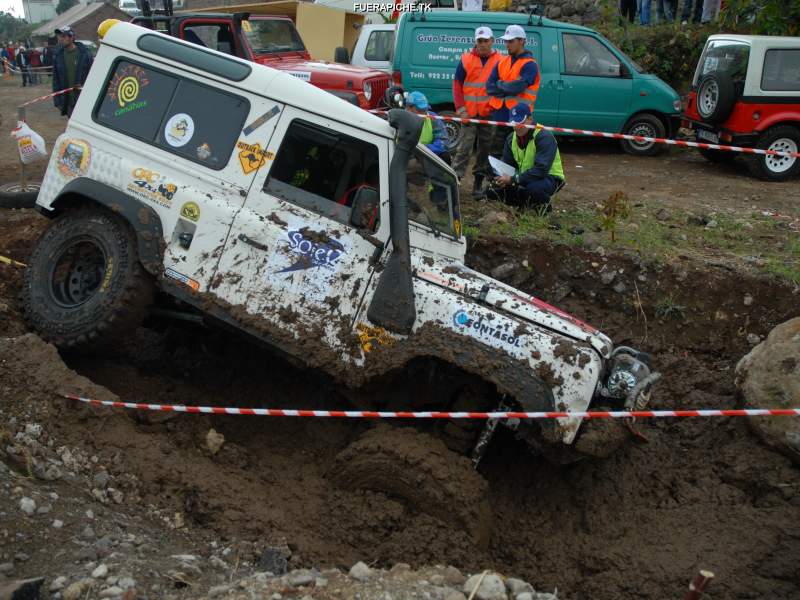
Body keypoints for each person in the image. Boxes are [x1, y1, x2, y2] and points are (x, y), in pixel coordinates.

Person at [451, 26, 502, 200]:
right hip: (469, 115)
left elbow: (502, 87)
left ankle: (478, 184)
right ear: (475, 42)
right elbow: (457, 85)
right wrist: (461, 109)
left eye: (485, 41)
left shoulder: (500, 60)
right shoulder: (466, 59)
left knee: (485, 150)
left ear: (492, 41)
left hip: (488, 115)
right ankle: (454, 181)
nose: (482, 44)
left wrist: (497, 108)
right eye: (479, 41)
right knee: (464, 149)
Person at [488, 103, 564, 210]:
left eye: (520, 122)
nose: (517, 127)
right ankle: (524, 205)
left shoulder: (544, 136)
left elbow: (541, 170)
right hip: (525, 177)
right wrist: (501, 178)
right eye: (514, 123)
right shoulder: (511, 138)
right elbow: (508, 166)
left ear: (530, 119)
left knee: (533, 189)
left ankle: (544, 209)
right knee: (492, 190)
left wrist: (513, 179)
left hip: (549, 177)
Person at [486, 24, 540, 126]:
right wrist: (506, 87)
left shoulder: (530, 64)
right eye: (506, 41)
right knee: (497, 142)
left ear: (522, 41)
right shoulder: (502, 62)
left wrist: (499, 83)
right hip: (498, 114)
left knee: (515, 142)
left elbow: (517, 88)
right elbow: (489, 87)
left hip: (519, 116)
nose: (507, 44)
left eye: (511, 41)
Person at [52, 26, 94, 117]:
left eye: (63, 36)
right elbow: (56, 79)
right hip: (68, 102)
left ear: (71, 37)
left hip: (85, 100)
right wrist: (57, 101)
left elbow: (93, 75)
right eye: (59, 36)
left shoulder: (85, 54)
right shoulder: (58, 56)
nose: (60, 39)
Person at [406, 91, 450, 163]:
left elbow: (444, 142)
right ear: (409, 108)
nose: (424, 113)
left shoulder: (432, 117)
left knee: (445, 156)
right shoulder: (401, 120)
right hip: (409, 156)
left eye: (425, 109)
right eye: (420, 110)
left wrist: (425, 149)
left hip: (428, 153)